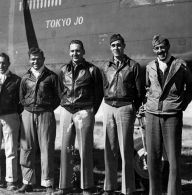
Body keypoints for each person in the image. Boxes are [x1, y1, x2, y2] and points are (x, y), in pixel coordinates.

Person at [145, 35, 192, 195]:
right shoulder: (149, 67)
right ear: (154, 50)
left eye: (162, 47)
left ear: (168, 47)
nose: (160, 51)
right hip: (152, 115)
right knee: (153, 159)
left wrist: (181, 105)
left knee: (173, 159)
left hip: (172, 116)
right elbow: (148, 87)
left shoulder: (180, 66)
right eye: (157, 48)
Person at [52, 40, 103, 195]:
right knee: (66, 149)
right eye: (72, 51)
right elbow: (61, 90)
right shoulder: (63, 70)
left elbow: (98, 93)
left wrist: (90, 109)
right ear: (69, 52)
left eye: (78, 51)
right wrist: (66, 104)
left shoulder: (92, 70)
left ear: (83, 51)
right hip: (67, 111)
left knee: (85, 149)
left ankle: (87, 187)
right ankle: (65, 187)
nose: (75, 53)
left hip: (84, 111)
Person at [101, 34, 142, 195]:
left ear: (124, 46)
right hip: (109, 107)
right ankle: (109, 187)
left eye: (119, 45)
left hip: (125, 108)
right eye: (113, 45)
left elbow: (139, 92)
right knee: (109, 149)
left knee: (126, 149)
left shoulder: (134, 66)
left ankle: (128, 189)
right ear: (110, 47)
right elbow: (104, 86)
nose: (116, 48)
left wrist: (132, 108)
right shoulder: (106, 66)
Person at [16, 47, 60, 194]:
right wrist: (29, 108)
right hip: (28, 114)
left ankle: (48, 184)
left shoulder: (52, 76)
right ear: (30, 60)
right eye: (32, 59)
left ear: (43, 59)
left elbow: (58, 97)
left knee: (46, 148)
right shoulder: (25, 78)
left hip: (45, 114)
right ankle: (27, 182)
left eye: (38, 58)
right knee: (26, 148)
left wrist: (46, 108)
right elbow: (21, 97)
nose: (35, 61)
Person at [0, 53, 23, 191]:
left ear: (8, 64)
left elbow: (21, 102)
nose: (1, 65)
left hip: (10, 116)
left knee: (11, 149)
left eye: (3, 62)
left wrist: (13, 112)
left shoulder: (16, 80)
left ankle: (11, 180)